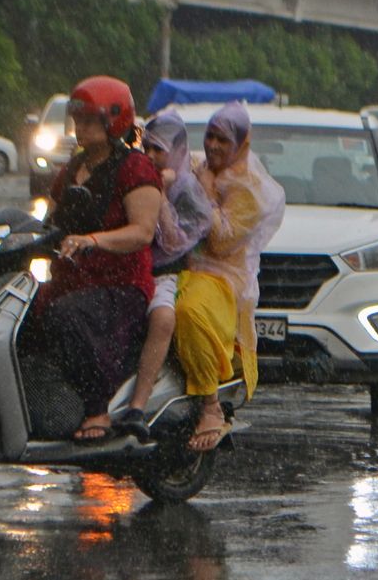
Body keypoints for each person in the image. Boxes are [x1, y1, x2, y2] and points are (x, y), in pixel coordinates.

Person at [39, 76, 160, 443]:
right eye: (78, 119)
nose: (81, 127)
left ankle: (97, 408)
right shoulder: (72, 168)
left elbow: (142, 232)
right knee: (27, 315)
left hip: (120, 285)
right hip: (73, 279)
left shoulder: (135, 169)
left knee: (66, 315)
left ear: (114, 123)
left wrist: (93, 240)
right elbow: (50, 221)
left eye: (90, 120)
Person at [175, 102, 285, 451]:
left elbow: (221, 242)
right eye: (209, 136)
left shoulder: (250, 191)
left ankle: (210, 406)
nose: (213, 146)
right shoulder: (195, 165)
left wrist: (205, 190)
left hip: (222, 276)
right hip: (181, 265)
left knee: (188, 311)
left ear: (240, 144)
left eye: (223, 140)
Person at [115, 110, 213, 440]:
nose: (153, 157)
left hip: (163, 274)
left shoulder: (187, 190)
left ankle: (137, 407)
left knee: (162, 320)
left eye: (161, 150)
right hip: (126, 266)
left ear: (178, 151)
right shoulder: (132, 174)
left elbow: (173, 241)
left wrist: (158, 193)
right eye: (149, 149)